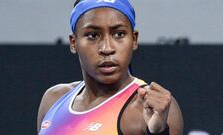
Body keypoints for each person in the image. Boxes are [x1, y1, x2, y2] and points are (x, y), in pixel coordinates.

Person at [37, 0, 184, 134]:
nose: (107, 48)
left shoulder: (152, 109)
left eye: (119, 34)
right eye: (93, 35)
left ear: (134, 39)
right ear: (73, 43)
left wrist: (159, 133)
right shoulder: (53, 100)